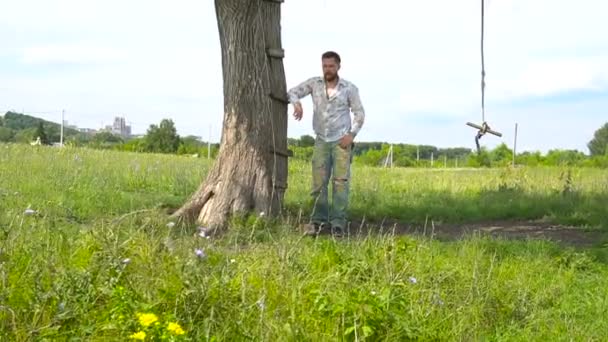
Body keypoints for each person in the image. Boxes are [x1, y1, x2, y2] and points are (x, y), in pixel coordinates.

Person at [287, 51, 365, 237]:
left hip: (341, 142)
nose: (327, 69)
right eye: (325, 66)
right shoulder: (315, 84)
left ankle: (338, 223)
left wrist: (351, 135)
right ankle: (318, 222)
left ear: (338, 66)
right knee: (318, 183)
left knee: (340, 183)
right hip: (321, 139)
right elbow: (292, 92)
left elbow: (359, 113)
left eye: (331, 66)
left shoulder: (349, 88)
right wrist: (296, 104)